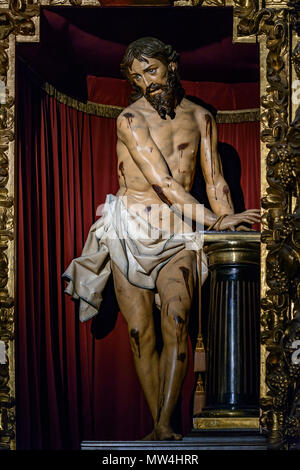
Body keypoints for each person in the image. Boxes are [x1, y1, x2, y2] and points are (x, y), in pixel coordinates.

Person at [63, 37, 260, 441]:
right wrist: (215, 221)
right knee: (140, 333)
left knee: (176, 319)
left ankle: (165, 423)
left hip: (179, 233)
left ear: (171, 65)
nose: (145, 82)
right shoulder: (129, 119)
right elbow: (164, 182)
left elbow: (216, 180)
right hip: (131, 227)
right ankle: (160, 426)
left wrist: (229, 224)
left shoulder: (202, 118)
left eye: (150, 70)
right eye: (136, 76)